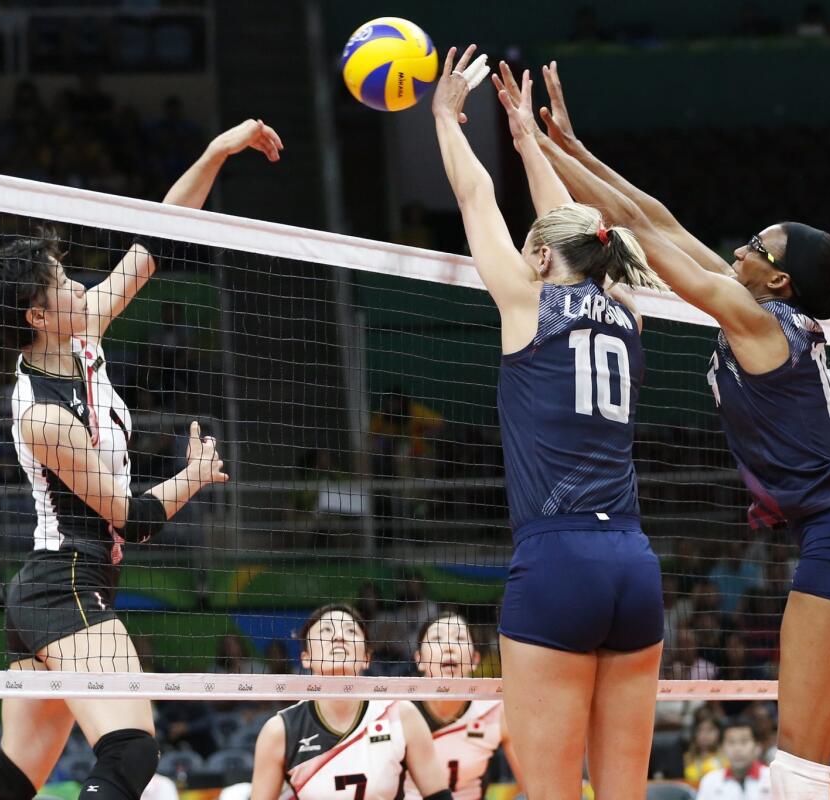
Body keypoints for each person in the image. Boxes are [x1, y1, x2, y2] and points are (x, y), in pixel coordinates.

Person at [510, 59, 830, 800]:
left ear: (779, 281)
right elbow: (657, 219)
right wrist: (569, 147)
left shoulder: (754, 319)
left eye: (755, 250)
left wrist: (556, 156)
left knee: (797, 764)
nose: (738, 251)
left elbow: (638, 233)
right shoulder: (761, 307)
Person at [0, 118, 284, 800]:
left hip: (53, 589)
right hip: (64, 585)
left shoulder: (84, 332)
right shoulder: (41, 414)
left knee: (10, 781)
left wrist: (217, 151)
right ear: (38, 316)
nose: (78, 286)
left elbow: (154, 237)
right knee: (131, 756)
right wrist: (193, 476)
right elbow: (133, 519)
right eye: (63, 281)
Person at [437, 48, 667, 799]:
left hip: (557, 564)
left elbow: (476, 199)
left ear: (539, 257)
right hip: (633, 565)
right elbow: (574, 231)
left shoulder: (525, 303)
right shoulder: (631, 309)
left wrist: (446, 119)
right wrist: (530, 143)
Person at [249, 604, 451, 800]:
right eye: (326, 630)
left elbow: (438, 795)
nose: (338, 637)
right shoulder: (280, 731)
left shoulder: (401, 715)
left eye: (350, 631)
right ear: (306, 658)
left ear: (366, 657)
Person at [403, 613, 518, 800]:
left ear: (475, 660)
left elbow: (535, 787)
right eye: (437, 638)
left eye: (459, 638)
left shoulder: (497, 712)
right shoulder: (396, 712)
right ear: (419, 659)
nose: (449, 647)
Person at [695, 719, 771, 800]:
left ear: (757, 747)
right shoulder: (710, 781)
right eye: (731, 742)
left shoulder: (772, 778)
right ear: (722, 748)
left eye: (744, 741)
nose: (737, 749)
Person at [683, 716, 726, 786]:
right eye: (700, 730)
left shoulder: (726, 755)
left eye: (710, 730)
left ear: (719, 732)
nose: (705, 734)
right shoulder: (687, 757)